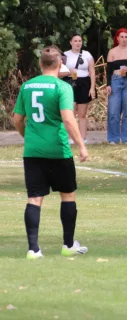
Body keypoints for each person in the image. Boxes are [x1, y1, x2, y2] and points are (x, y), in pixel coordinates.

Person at [12, 45, 89, 260]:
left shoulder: (27, 86)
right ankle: (67, 245)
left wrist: (27, 136)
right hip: (58, 150)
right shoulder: (62, 87)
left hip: (33, 150)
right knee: (67, 195)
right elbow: (67, 118)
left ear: (40, 64)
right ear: (60, 65)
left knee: (34, 198)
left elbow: (17, 119)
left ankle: (33, 249)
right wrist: (81, 145)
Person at [63, 34, 96, 143]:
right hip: (70, 83)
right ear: (71, 42)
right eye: (75, 41)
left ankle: (83, 138)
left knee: (82, 113)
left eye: (80, 41)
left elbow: (92, 71)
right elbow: (58, 70)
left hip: (84, 83)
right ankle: (71, 137)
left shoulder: (87, 54)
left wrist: (92, 88)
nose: (78, 43)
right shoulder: (65, 55)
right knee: (71, 111)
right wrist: (69, 71)